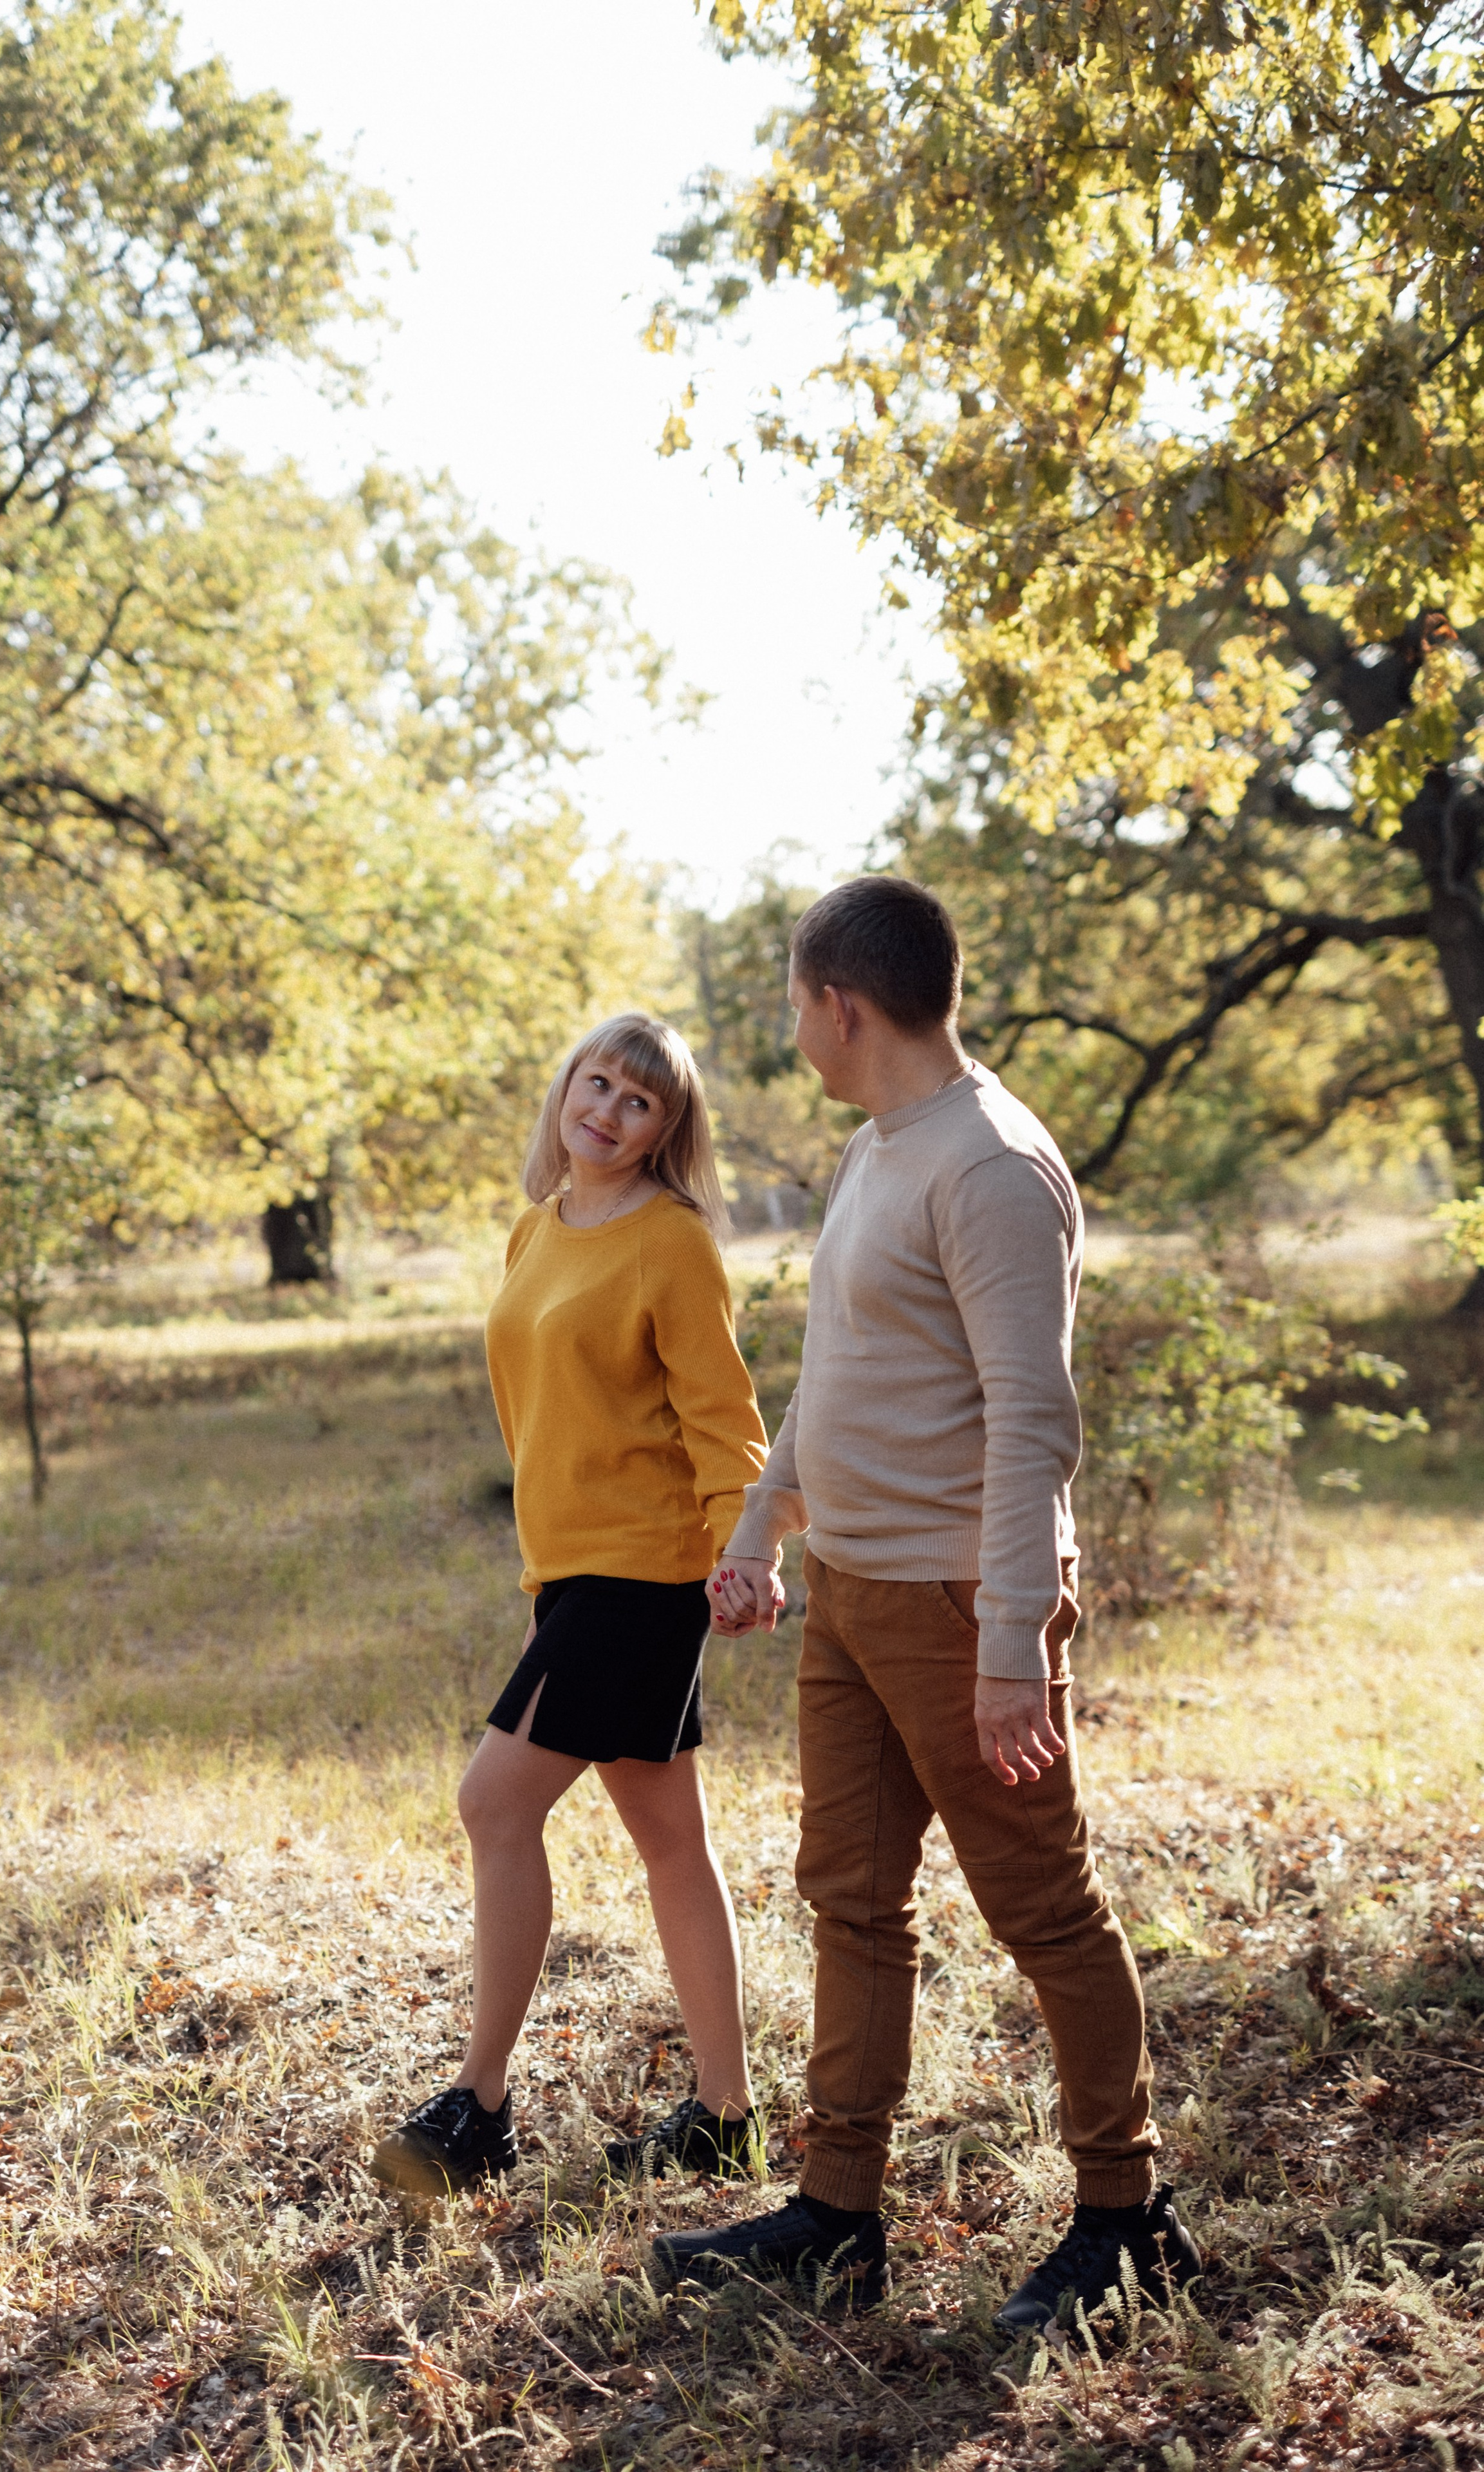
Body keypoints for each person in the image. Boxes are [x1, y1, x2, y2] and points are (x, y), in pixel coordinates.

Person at [651, 879, 1201, 2332]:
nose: (793, 1029)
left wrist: (1013, 1640)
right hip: (849, 1592)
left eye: (794, 1003)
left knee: (1042, 1910)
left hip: (964, 1603)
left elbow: (1032, 1417)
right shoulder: (875, 1149)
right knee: (849, 1900)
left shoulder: (991, 1168)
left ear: (839, 1003)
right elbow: (840, 1377)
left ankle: (1125, 2218)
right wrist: (767, 1521)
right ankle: (836, 2215)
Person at [370, 1013, 769, 2198]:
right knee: (670, 1842)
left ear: (667, 1129)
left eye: (638, 1101)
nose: (607, 1110)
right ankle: (725, 2112)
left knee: (492, 1801)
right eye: (596, 1083)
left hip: (643, 1575)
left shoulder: (672, 1243)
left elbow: (724, 1416)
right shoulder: (536, 1230)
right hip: (570, 1574)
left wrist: (748, 1548)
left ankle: (481, 2106)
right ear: (567, 1088)